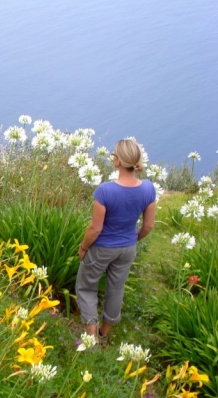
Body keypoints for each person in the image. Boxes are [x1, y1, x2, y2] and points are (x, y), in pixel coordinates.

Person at [75, 139, 157, 344]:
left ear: (118, 161)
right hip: (127, 248)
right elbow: (148, 226)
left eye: (114, 155)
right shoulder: (148, 188)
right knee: (116, 288)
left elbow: (95, 228)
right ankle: (104, 332)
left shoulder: (105, 191)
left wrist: (83, 247)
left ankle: (91, 335)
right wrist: (132, 239)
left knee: (86, 287)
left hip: (102, 248)